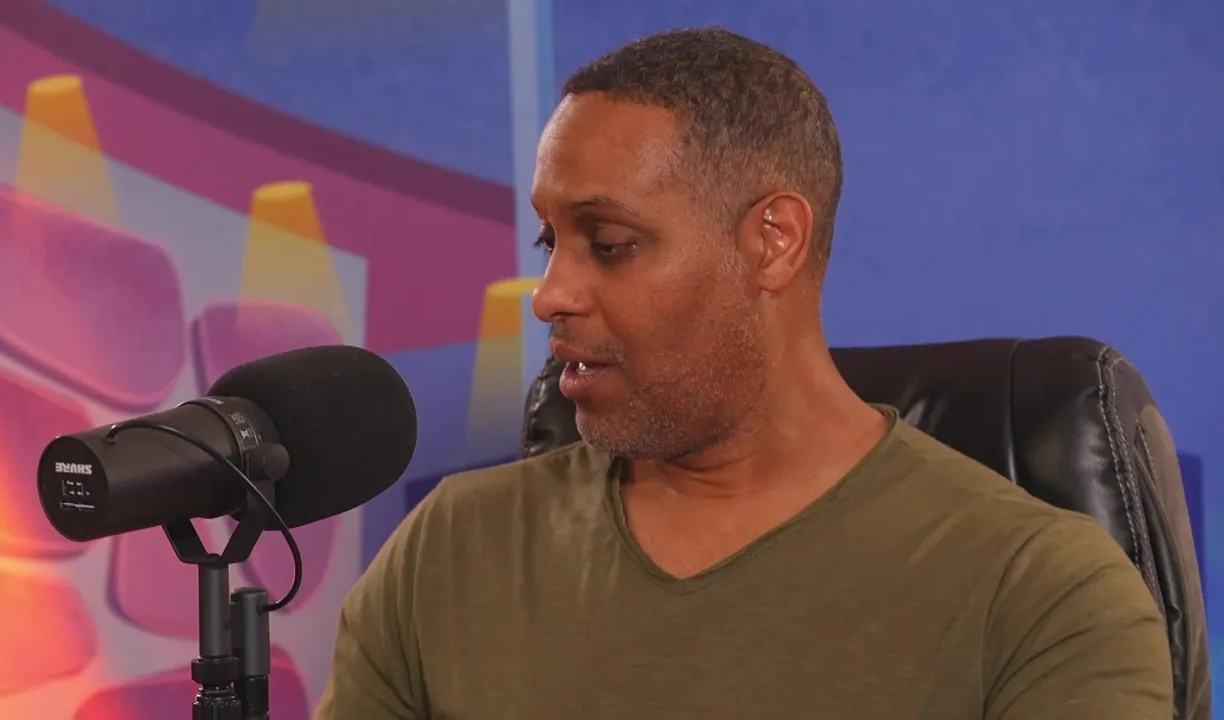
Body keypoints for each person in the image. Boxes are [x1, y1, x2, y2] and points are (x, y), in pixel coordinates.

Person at [313, 27, 1172, 719]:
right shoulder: (449, 550)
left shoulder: (1045, 596)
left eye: (609, 244)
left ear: (773, 241)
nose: (550, 295)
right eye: (550, 242)